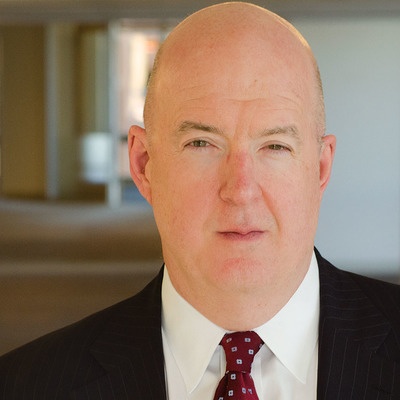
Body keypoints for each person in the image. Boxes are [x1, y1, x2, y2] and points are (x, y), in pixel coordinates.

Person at [1, 2, 399, 399]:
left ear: (320, 169)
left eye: (275, 146)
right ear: (144, 165)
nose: (240, 190)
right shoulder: (25, 385)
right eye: (201, 143)